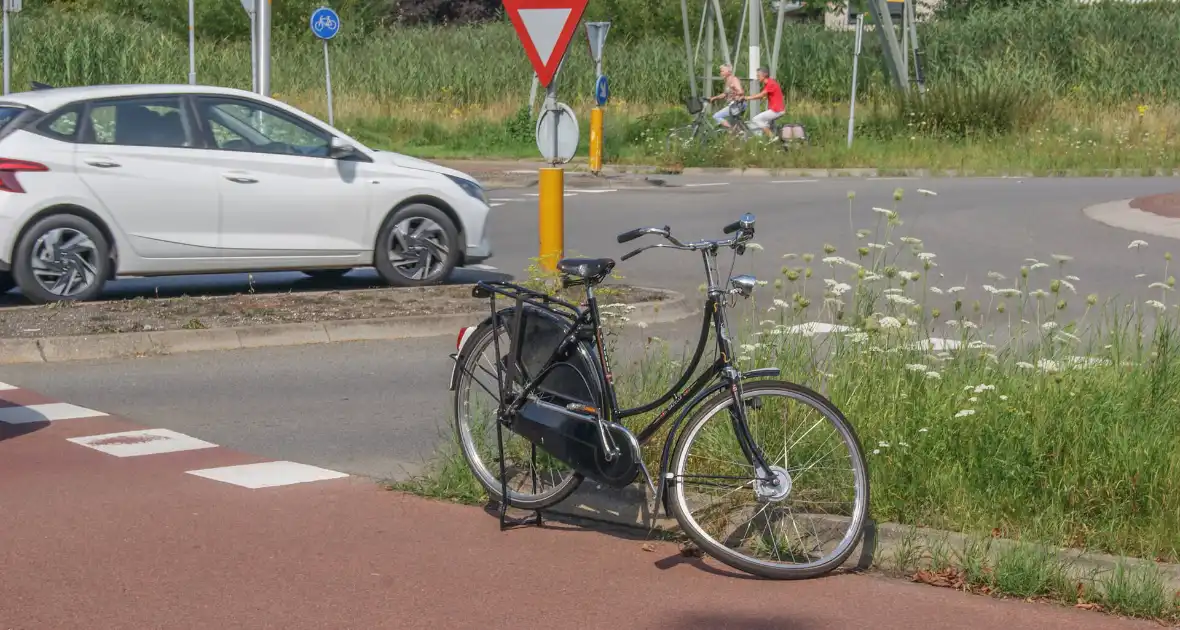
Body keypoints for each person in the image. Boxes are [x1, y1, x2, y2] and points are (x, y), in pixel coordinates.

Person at [744, 67, 786, 139]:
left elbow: (761, 95)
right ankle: (766, 138)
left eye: (758, 75)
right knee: (765, 124)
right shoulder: (769, 83)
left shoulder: (770, 83)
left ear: (765, 74)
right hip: (777, 109)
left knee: (756, 119)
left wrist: (746, 98)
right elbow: (768, 95)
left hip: (776, 110)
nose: (757, 77)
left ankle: (772, 137)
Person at [707, 64, 744, 129]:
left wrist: (735, 91)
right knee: (733, 122)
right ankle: (736, 131)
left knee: (716, 116)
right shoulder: (727, 81)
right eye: (720, 71)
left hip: (737, 105)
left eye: (722, 71)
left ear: (729, 72)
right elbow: (725, 94)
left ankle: (733, 129)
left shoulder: (734, 79)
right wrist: (714, 98)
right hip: (733, 105)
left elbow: (741, 92)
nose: (721, 73)